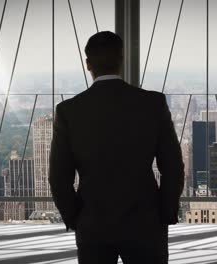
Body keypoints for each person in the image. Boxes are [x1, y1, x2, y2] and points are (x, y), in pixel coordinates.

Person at [49, 31, 184, 264]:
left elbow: (58, 177)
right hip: (146, 223)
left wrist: (75, 218)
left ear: (88, 64)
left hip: (92, 224)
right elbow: (173, 167)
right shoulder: (153, 104)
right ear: (122, 59)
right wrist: (165, 214)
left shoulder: (69, 111)